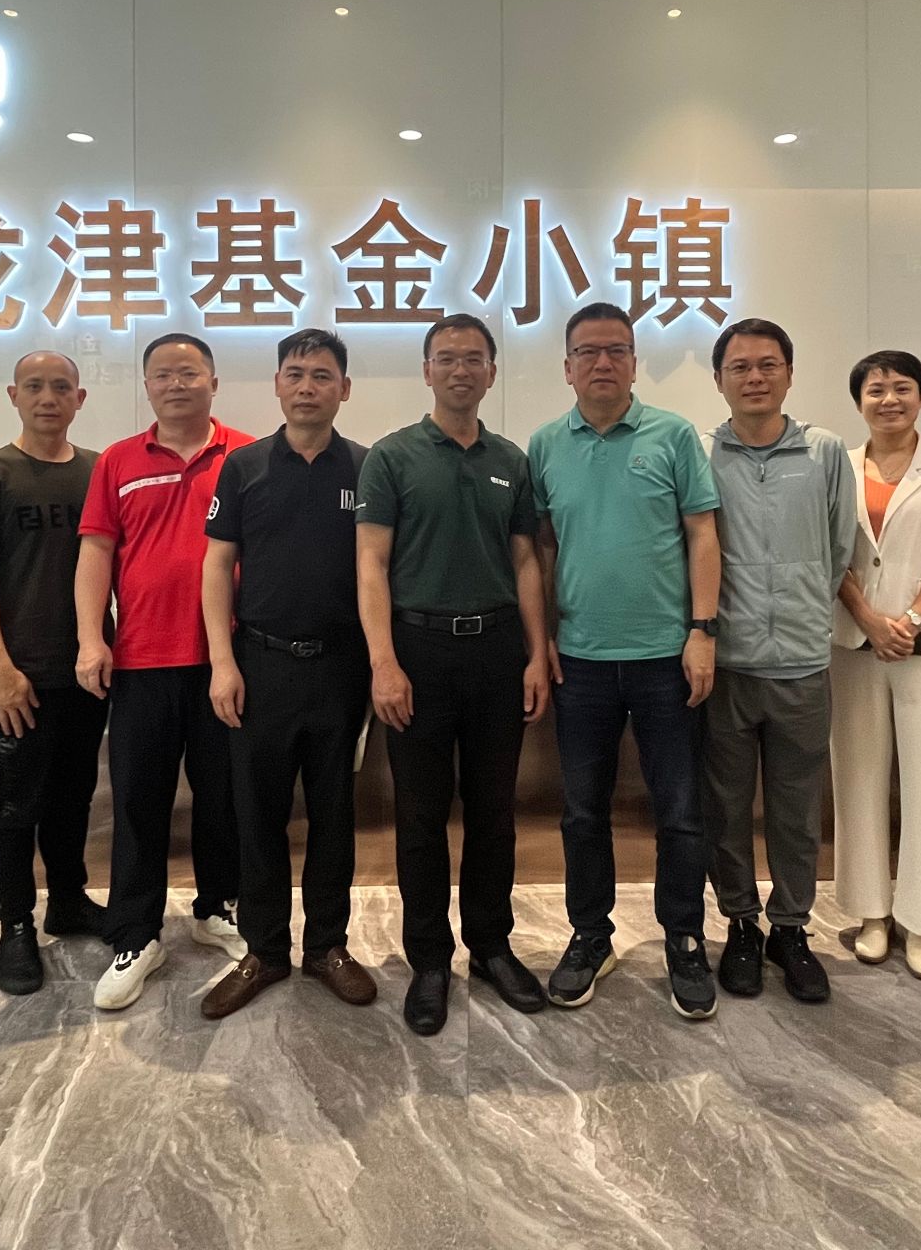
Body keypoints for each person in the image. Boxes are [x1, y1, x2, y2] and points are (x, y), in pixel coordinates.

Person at [356, 313, 552, 1035]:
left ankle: (493, 947)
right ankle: (430, 960)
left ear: (491, 372)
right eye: (446, 358)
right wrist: (383, 662)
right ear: (427, 371)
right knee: (420, 815)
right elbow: (371, 563)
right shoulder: (392, 457)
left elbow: (526, 561)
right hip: (419, 651)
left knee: (495, 812)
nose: (460, 370)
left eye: (473, 359)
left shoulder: (511, 460)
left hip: (497, 650)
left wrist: (536, 652)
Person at [528, 301, 723, 1021]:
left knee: (680, 812)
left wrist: (702, 630)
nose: (602, 362)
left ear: (635, 364)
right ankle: (591, 935)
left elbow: (702, 534)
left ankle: (684, 939)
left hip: (667, 658)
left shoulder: (672, 435)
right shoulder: (546, 444)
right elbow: (541, 547)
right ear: (568, 367)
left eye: (616, 350)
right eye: (588, 351)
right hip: (580, 661)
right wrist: (544, 635)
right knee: (583, 812)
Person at [200, 329, 378, 1018]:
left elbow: (379, 569)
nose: (308, 387)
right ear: (277, 384)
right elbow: (217, 565)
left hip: (340, 667)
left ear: (344, 389)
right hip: (260, 665)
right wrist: (222, 662)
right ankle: (265, 951)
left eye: (322, 375)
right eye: (296, 374)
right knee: (258, 814)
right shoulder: (243, 467)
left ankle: (327, 946)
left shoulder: (365, 467)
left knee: (334, 814)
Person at [77, 333, 254, 1012]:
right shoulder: (118, 461)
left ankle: (217, 908)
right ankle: (135, 934)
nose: (175, 384)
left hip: (225, 661)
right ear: (147, 386)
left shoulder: (246, 455)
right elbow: (96, 553)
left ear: (213, 381)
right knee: (138, 803)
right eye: (162, 375)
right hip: (141, 661)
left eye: (188, 372)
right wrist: (91, 638)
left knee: (224, 797)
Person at [699, 317, 857, 1005]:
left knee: (796, 811)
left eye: (768, 364)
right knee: (726, 808)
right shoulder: (702, 453)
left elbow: (840, 547)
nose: (755, 377)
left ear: (790, 374)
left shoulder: (823, 452)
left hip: (800, 664)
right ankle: (740, 923)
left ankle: (791, 929)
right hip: (726, 665)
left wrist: (802, 608)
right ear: (719, 380)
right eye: (739, 367)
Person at [0, 351, 110, 997]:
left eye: (61, 387)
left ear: (80, 398)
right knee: (17, 806)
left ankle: (68, 900)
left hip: (86, 670)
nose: (49, 397)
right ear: (14, 395)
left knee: (74, 797)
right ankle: (14, 925)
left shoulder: (98, 471)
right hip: (19, 675)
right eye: (35, 387)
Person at [831, 350, 921, 983]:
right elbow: (831, 551)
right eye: (875, 389)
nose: (888, 399)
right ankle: (871, 913)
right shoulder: (837, 464)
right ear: (858, 400)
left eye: (901, 388)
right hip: (853, 640)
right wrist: (869, 618)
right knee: (857, 777)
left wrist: (911, 620)